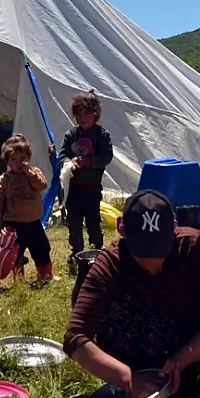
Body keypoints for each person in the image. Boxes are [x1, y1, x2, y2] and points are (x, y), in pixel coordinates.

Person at [63, 190, 200, 398]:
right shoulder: (110, 263)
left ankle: (172, 389)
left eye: (160, 251)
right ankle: (161, 388)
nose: (153, 264)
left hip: (188, 342)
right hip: (138, 350)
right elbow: (75, 338)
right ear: (121, 229)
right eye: (142, 253)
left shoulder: (193, 246)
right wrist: (128, 379)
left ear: (174, 229)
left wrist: (179, 361)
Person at [0, 135, 60, 284]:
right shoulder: (5, 179)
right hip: (14, 225)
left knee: (42, 249)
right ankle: (19, 279)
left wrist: (30, 174)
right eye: (13, 159)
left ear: (28, 158)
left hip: (33, 222)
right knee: (16, 253)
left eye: (22, 157)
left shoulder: (33, 172)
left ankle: (45, 275)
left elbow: (42, 186)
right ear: (7, 161)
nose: (19, 162)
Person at [58, 91, 114, 269]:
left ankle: (97, 251)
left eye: (86, 114)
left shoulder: (102, 136)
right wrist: (69, 162)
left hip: (91, 188)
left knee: (93, 221)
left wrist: (90, 162)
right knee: (74, 222)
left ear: (95, 114)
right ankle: (77, 254)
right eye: (78, 114)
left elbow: (106, 157)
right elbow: (63, 155)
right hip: (74, 188)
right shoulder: (71, 135)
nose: (82, 118)